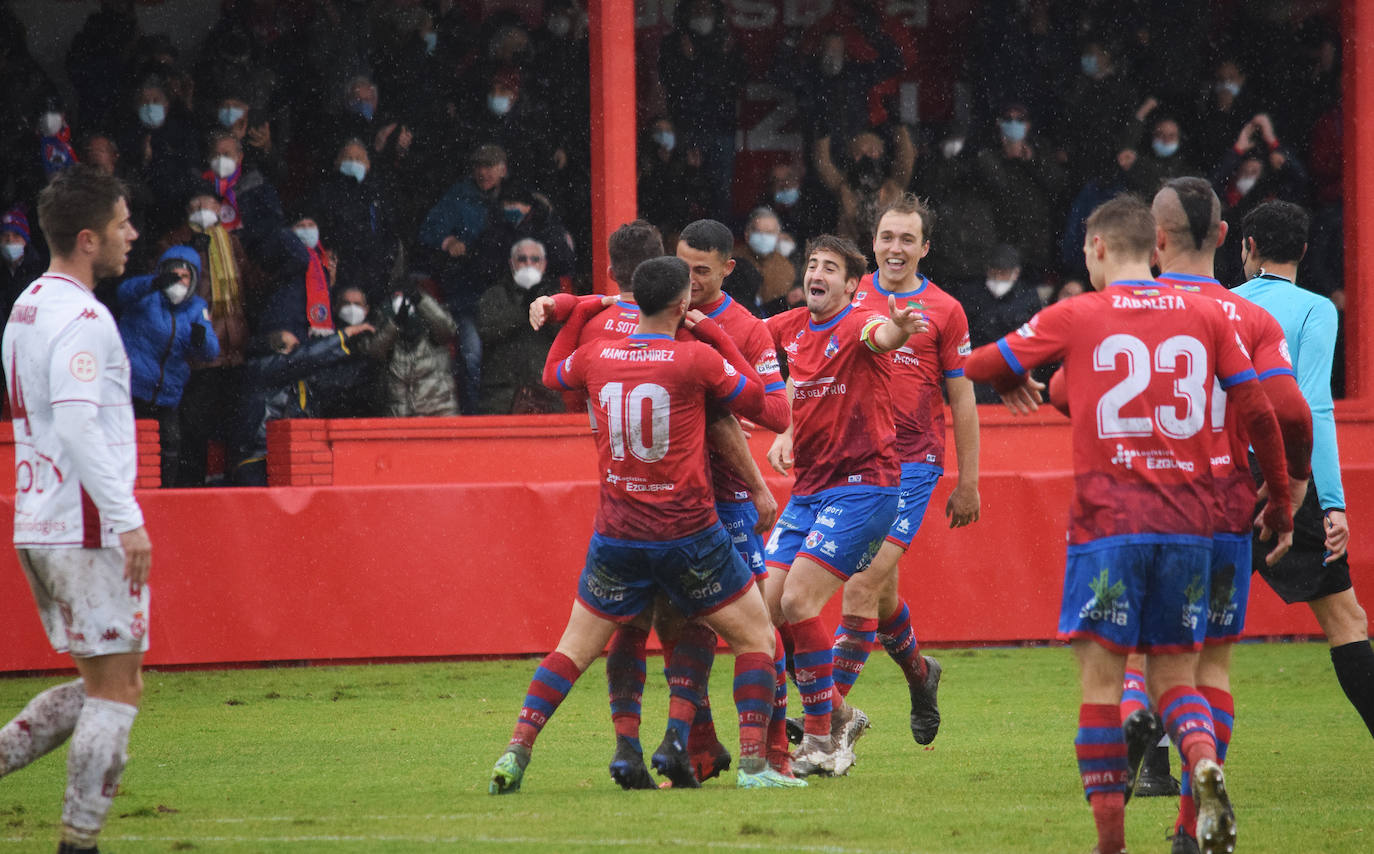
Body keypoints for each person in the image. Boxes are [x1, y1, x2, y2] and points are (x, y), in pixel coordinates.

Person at [964, 195, 1296, 854]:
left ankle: (1111, 843)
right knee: (1180, 678)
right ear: (1154, 250)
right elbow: (1262, 408)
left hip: (1110, 523)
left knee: (1103, 682)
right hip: (1194, 525)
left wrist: (1007, 376)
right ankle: (1202, 762)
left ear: (1094, 251)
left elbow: (978, 365)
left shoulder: (1078, 313)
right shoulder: (1209, 315)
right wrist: (1281, 499)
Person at [488, 256, 795, 793]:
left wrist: (584, 306)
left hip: (618, 535)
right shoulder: (694, 358)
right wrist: (715, 332)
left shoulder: (595, 356)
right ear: (682, 305)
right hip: (688, 536)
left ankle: (516, 751)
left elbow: (551, 372)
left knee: (574, 648)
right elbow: (766, 406)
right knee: (757, 639)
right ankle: (753, 766)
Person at [1116, 179, 1313, 853]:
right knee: (1214, 668)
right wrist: (1292, 486)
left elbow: (1064, 391)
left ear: (1156, 239)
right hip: (1224, 512)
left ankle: (1139, 727)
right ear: (1227, 238)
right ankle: (1185, 829)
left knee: (1146, 657)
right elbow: (1288, 411)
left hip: (1142, 509)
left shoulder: (1124, 311)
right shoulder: (1249, 319)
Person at [0, 164, 153, 853]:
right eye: (123, 222)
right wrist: (127, 519)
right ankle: (78, 843)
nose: (133, 233)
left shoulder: (27, 305)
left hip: (37, 517)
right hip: (83, 524)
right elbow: (79, 424)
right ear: (89, 239)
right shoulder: (85, 319)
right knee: (119, 689)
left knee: (102, 680)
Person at [761, 234, 927, 776]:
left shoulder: (859, 324)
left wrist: (900, 328)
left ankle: (819, 742)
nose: (817, 273)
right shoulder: (789, 328)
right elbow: (782, 372)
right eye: (811, 264)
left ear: (852, 286)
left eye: (830, 267)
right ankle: (839, 714)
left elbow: (883, 336)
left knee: (801, 601)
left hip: (864, 486)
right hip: (809, 490)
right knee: (767, 607)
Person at [824, 195, 979, 746]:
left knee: (860, 585)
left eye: (907, 239)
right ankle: (920, 673)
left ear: (924, 247)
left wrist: (968, 480)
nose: (896, 248)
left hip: (913, 467)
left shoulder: (946, 309)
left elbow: (961, 397)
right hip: (854, 465)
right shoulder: (850, 296)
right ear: (873, 243)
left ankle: (828, 722)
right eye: (887, 237)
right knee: (883, 592)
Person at [1234, 200, 1374, 739]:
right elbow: (1312, 404)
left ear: (1247, 248)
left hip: (1223, 472)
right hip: (1288, 475)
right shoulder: (1316, 310)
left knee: (1183, 623)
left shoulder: (1223, 305)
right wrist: (1333, 501)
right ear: (1304, 251)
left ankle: (1154, 764)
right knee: (1346, 621)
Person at [116, 246, 220, 487]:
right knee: (129, 445)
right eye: (173, 275)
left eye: (184, 277)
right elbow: (124, 292)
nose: (179, 282)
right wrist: (154, 283)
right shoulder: (145, 297)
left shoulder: (196, 308)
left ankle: (165, 495)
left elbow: (211, 352)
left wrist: (200, 339)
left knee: (170, 446)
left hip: (167, 395)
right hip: (133, 390)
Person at [477, 238, 564, 414]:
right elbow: (487, 331)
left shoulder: (555, 297)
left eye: (535, 259)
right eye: (522, 259)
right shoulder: (495, 294)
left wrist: (545, 306)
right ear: (511, 263)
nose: (528, 264)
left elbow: (563, 335)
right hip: (501, 394)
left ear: (544, 264)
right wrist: (524, 309)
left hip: (545, 394)